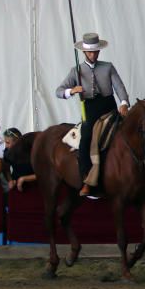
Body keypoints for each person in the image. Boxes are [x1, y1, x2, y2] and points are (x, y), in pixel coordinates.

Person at [56, 32, 130, 198]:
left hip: (109, 106)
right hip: (89, 108)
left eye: (96, 52)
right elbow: (58, 91)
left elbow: (119, 87)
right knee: (86, 139)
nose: (93, 55)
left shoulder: (108, 67)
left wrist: (124, 103)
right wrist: (71, 90)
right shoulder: (76, 71)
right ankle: (86, 181)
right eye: (90, 52)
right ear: (84, 53)